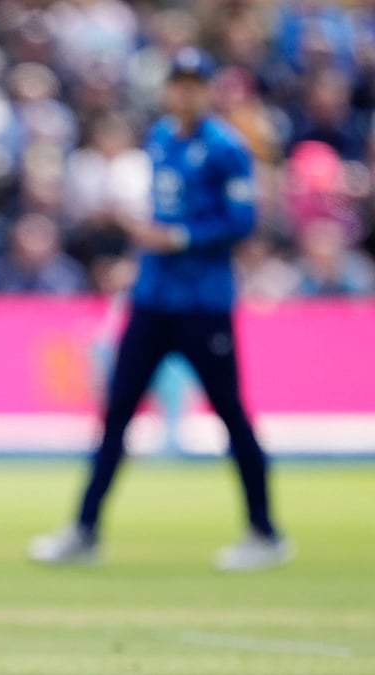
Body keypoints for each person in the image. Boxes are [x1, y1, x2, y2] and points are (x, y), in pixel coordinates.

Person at [29, 47, 292, 572]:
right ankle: (85, 529)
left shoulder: (226, 148)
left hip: (203, 303)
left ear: (209, 90)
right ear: (169, 89)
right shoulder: (162, 138)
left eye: (196, 84)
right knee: (118, 413)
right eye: (179, 83)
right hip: (152, 300)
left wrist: (177, 238)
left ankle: (266, 532)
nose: (186, 93)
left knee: (230, 413)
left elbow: (242, 221)